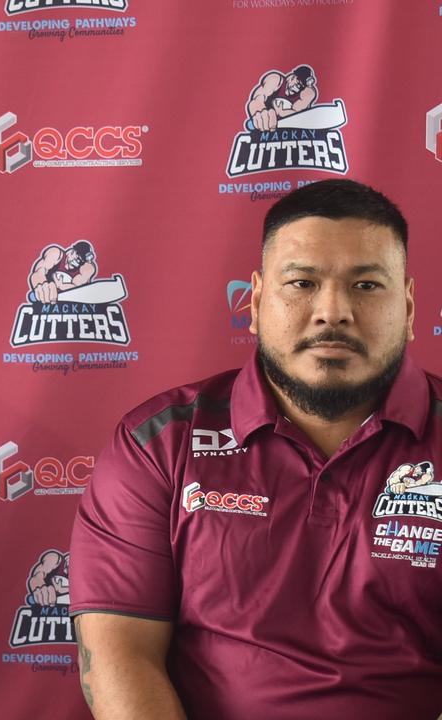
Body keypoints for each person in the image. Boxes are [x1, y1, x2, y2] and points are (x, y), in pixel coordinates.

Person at [70, 179, 441, 720]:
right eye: (303, 283)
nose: (332, 311)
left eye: (365, 285)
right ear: (258, 299)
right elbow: (118, 653)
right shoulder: (160, 442)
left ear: (408, 308)